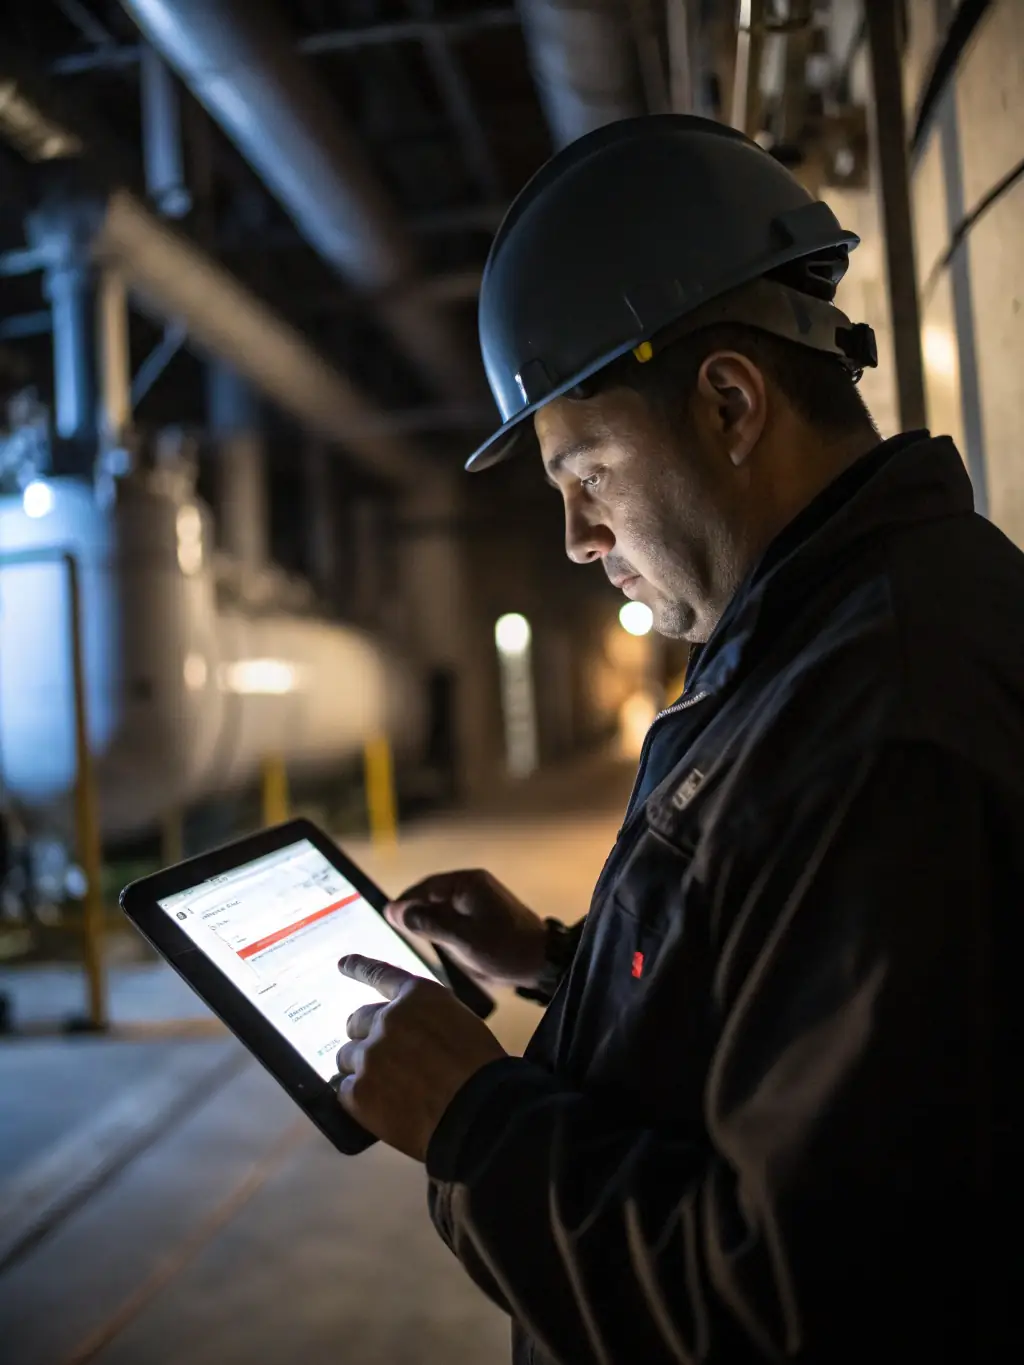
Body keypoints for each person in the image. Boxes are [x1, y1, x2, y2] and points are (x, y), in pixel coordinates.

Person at [335, 115, 1022, 1362]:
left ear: (726, 403)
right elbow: (774, 974)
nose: (576, 538)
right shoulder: (813, 642)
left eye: (584, 470)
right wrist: (566, 963)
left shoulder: (885, 720)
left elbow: (790, 1310)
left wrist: (470, 1118)